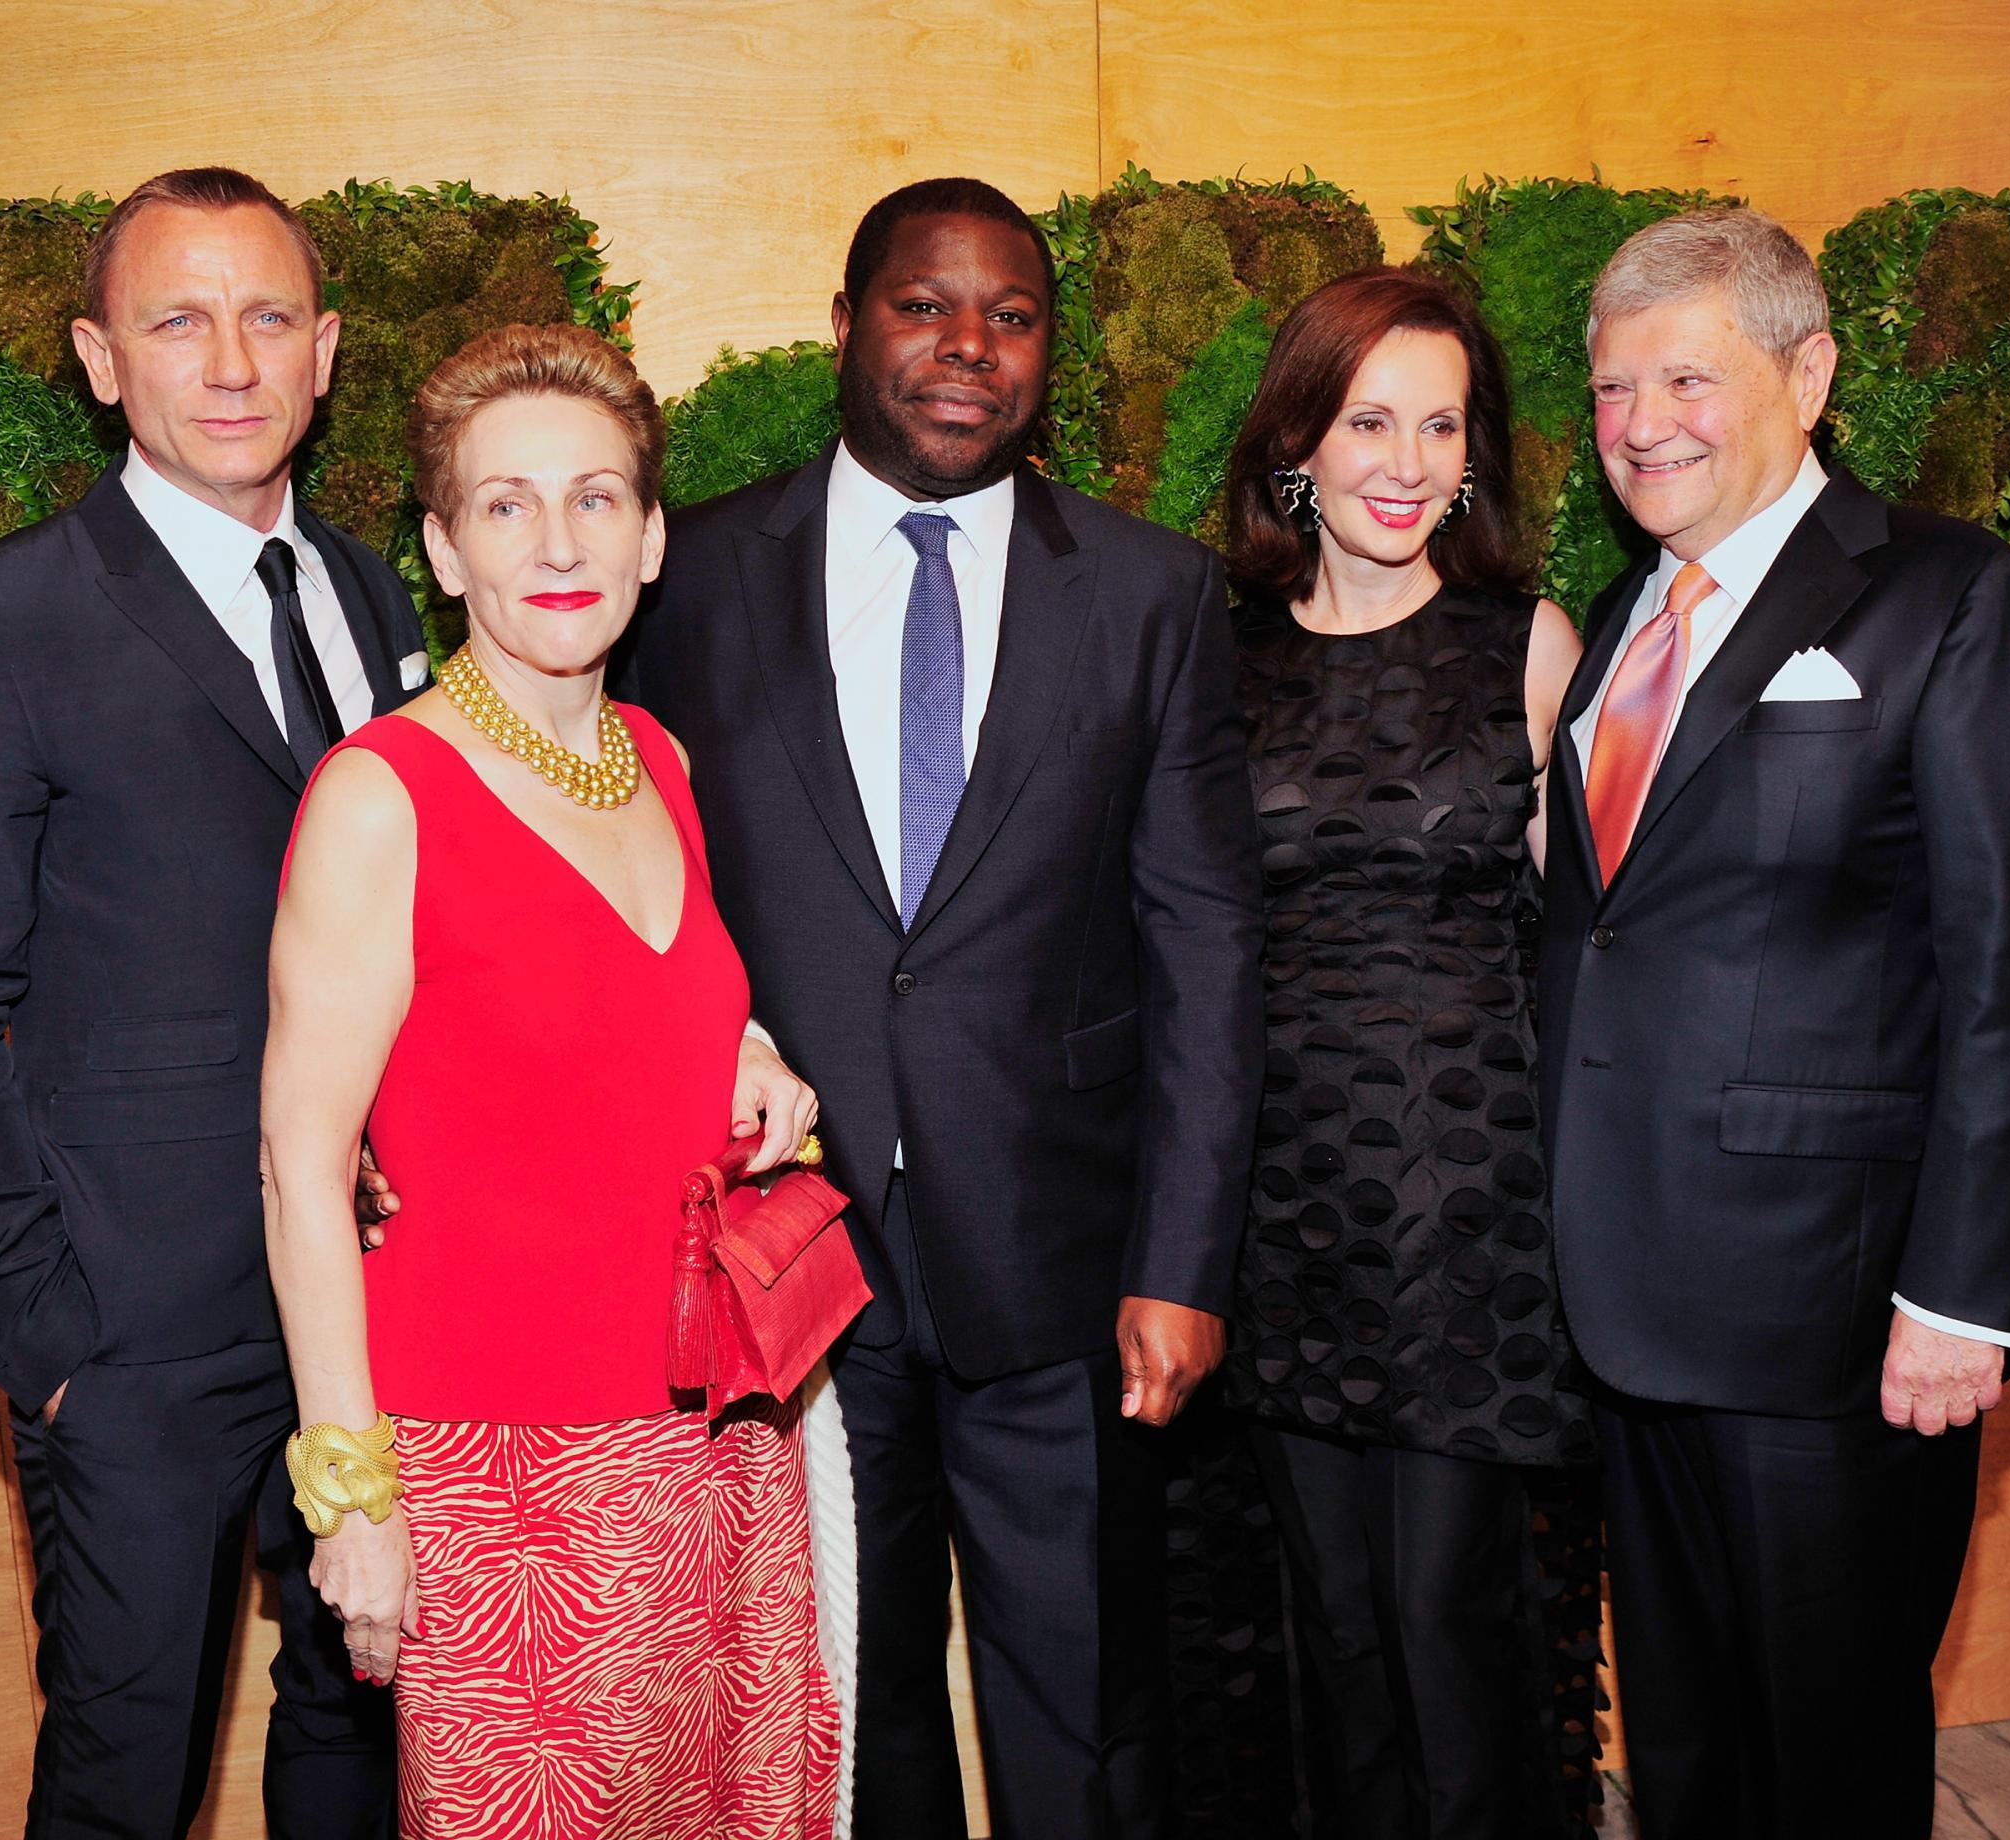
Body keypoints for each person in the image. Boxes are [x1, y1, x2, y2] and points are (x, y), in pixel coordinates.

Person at [622, 177, 1265, 1840]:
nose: (967, 348)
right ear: (846, 325)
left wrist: (1182, 1265)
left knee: (1088, 1694)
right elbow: (629, 898)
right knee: (851, 1690)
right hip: (785, 1263)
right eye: (923, 307)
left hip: (1063, 1261)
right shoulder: (682, 580)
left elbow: (1203, 940)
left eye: (1010, 316)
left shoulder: (1151, 595)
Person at [0, 166, 413, 1839]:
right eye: (177, 319)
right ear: (103, 360)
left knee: (364, 1735)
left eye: (266, 317)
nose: (229, 361)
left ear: (325, 350)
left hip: (378, 1301)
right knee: (123, 1777)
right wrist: (51, 1348)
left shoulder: (376, 592)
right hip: (133, 1335)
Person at [1539, 209, 2010, 1839]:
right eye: (1610, 386)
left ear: (1810, 372)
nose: (1642, 422)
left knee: (1832, 1756)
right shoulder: (1624, 618)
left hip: (1841, 1322)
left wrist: (1964, 1297)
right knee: (1695, 1749)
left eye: (1686, 378)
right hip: (1631, 1304)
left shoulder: (1954, 600)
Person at [262, 320, 839, 1840]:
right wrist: (354, 1498)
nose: (557, 540)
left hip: (714, 1441)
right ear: (445, 551)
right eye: (504, 505)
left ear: (651, 535)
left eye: (595, 497)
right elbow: (300, 1165)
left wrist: (754, 1052)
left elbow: (647, 1007)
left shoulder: (660, 757)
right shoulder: (384, 795)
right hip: (495, 1477)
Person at [1215, 267, 1591, 1840]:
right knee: (1337, 1625)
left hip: (1472, 1216)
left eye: (1440, 423)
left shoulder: (1529, 644)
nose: (1406, 458)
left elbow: (1590, 957)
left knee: (1449, 1617)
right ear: (1298, 440)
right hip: (1283, 1209)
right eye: (1370, 418)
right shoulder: (1216, 657)